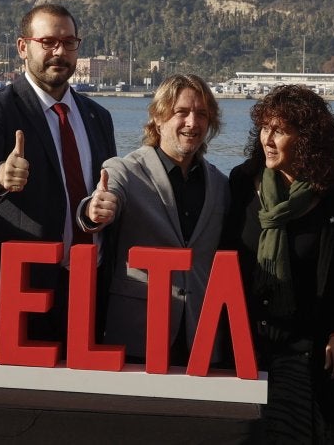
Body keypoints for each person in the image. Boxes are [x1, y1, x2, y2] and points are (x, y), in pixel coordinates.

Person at [0, 3, 116, 351]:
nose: (59, 51)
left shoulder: (97, 116)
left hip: (88, 290)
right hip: (16, 296)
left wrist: (107, 205)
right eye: (48, 41)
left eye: (69, 42)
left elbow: (102, 188)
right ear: (23, 47)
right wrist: (0, 175)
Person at [225, 84, 334, 442]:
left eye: (280, 130)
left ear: (308, 139)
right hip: (244, 343)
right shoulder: (241, 183)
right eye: (265, 128)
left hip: (304, 348)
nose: (268, 139)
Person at [81, 74, 228, 366]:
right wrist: (93, 210)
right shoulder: (124, 170)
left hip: (202, 335)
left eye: (201, 114)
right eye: (181, 112)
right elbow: (101, 200)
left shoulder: (221, 185)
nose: (192, 122)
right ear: (158, 119)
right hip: (138, 333)